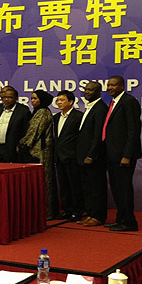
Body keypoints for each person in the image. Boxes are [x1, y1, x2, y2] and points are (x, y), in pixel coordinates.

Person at [103, 76, 142, 232]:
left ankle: (129, 222)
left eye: (113, 85)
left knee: (124, 189)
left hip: (123, 156)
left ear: (121, 86)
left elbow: (133, 130)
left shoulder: (129, 101)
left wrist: (127, 155)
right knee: (117, 189)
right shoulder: (114, 102)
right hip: (112, 154)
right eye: (108, 85)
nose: (110, 88)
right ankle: (121, 219)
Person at [19, 90, 58, 219]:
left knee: (44, 181)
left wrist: (22, 143)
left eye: (35, 98)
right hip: (36, 151)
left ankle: (47, 212)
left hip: (42, 152)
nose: (33, 101)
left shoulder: (43, 112)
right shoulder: (37, 111)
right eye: (32, 98)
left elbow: (34, 132)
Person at [75, 81, 109, 227]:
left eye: (91, 90)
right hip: (83, 156)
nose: (87, 92)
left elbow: (98, 135)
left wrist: (91, 155)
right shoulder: (90, 107)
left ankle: (98, 216)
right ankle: (90, 214)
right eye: (86, 89)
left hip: (94, 157)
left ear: (98, 92)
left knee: (97, 187)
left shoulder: (100, 108)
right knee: (87, 187)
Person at [53, 90, 83, 221]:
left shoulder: (78, 116)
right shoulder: (56, 117)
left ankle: (77, 211)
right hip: (59, 157)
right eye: (57, 100)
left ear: (70, 102)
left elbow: (81, 138)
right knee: (63, 185)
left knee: (74, 185)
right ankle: (67, 210)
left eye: (62, 100)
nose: (59, 102)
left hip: (73, 157)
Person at [0, 86, 31, 163]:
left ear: (16, 98)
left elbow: (26, 131)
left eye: (10, 97)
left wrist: (20, 145)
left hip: (14, 149)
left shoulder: (23, 110)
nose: (6, 99)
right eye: (5, 97)